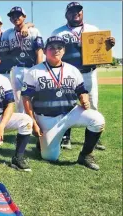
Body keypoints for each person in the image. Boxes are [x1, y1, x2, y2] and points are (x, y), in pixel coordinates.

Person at [21, 36, 105, 170]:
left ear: (64, 51)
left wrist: (84, 98)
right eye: (51, 48)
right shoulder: (34, 71)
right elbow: (26, 98)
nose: (56, 50)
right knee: (50, 157)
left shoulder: (72, 70)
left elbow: (81, 90)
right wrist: (33, 122)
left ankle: (86, 155)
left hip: (70, 113)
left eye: (59, 47)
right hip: (47, 117)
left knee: (98, 120)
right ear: (44, 51)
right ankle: (42, 143)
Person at [51, 2, 115, 150]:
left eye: (78, 10)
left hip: (88, 73)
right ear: (66, 15)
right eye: (72, 11)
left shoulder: (93, 30)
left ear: (82, 12)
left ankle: (94, 137)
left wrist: (109, 46)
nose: (76, 13)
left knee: (92, 105)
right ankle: (66, 136)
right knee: (67, 106)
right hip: (67, 75)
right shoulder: (58, 32)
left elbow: (101, 51)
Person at [6, 7, 44, 113]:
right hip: (16, 69)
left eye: (18, 15)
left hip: (31, 67)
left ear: (24, 17)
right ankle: (23, 127)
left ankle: (35, 126)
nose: (15, 18)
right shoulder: (9, 34)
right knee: (18, 101)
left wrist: (38, 70)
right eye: (12, 16)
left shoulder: (34, 31)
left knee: (34, 98)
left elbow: (39, 51)